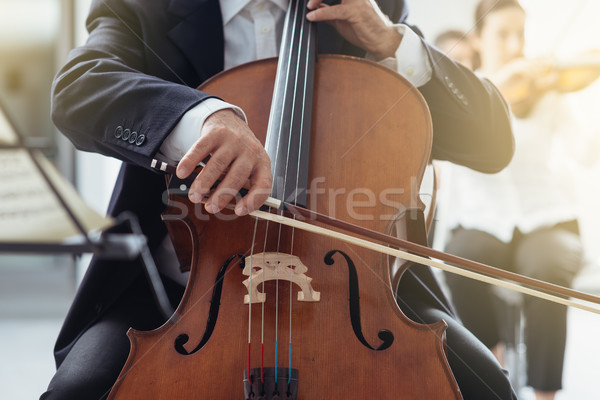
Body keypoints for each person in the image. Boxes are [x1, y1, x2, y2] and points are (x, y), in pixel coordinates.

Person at [43, 0, 517, 398]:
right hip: (174, 295)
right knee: (77, 391)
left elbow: (493, 143)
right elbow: (78, 88)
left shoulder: (363, 6)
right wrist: (200, 118)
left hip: (360, 298)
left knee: (486, 386)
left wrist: (394, 41)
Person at [441, 1, 599, 399]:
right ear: (478, 39)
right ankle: (492, 371)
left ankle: (545, 393)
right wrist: (496, 82)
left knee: (548, 267)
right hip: (480, 220)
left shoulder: (547, 94)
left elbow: (584, 152)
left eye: (521, 35)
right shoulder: (461, 93)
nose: (515, 44)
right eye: (502, 34)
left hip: (546, 219)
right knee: (461, 259)